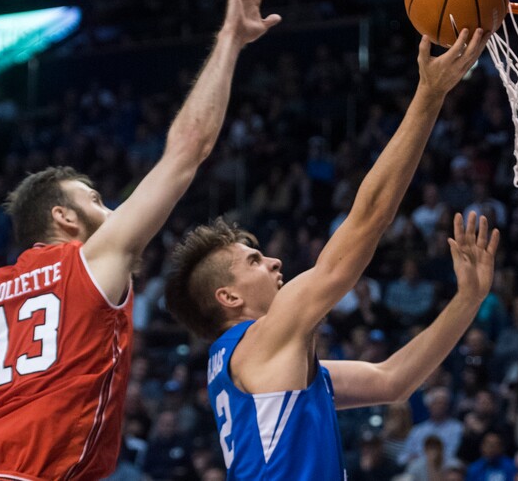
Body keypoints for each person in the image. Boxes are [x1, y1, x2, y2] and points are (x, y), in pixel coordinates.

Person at [0, 0, 280, 480]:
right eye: (96, 201)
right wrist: (231, 39)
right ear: (64, 217)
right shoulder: (88, 262)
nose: (112, 210)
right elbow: (188, 148)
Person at [164, 28, 496, 480]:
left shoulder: (260, 364)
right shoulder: (259, 343)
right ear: (229, 297)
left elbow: (394, 380)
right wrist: (429, 96)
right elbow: (368, 220)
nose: (275, 262)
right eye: (255, 261)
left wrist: (468, 300)